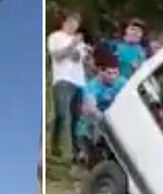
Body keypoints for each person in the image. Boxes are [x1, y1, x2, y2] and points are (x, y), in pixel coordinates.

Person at [47, 10, 89, 161]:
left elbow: (79, 58)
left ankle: (76, 153)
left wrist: (78, 48)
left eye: (76, 23)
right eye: (71, 22)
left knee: (76, 118)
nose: (73, 26)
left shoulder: (80, 43)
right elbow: (57, 56)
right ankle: (55, 146)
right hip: (62, 80)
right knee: (62, 114)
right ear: (64, 23)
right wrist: (72, 45)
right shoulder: (55, 37)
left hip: (78, 82)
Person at [75, 48, 127, 161]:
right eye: (109, 73)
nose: (113, 77)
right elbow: (91, 108)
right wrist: (105, 122)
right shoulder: (91, 87)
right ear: (100, 71)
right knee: (89, 117)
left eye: (115, 73)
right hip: (96, 120)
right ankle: (84, 151)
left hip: (115, 117)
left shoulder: (122, 82)